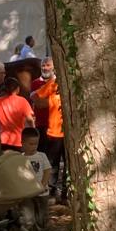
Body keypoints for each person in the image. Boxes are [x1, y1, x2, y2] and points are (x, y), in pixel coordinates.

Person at [30, 62, 66, 203]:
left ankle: (65, 193)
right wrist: (48, 102)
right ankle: (51, 191)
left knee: (69, 163)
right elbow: (34, 96)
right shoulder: (54, 83)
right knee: (53, 163)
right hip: (55, 131)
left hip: (71, 133)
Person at [0, 79, 33, 151]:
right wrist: (33, 130)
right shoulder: (22, 101)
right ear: (17, 89)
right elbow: (29, 119)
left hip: (3, 140)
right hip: (18, 140)